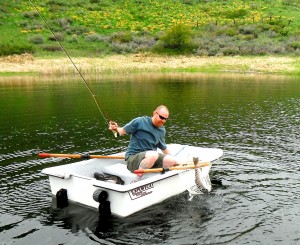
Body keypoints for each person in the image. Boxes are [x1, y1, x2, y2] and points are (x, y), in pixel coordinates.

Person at [109, 105, 177, 175]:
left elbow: (163, 147)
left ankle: (154, 172)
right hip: (133, 158)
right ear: (154, 113)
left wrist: (174, 161)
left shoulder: (162, 130)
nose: (163, 121)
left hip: (151, 158)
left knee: (170, 160)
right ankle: (139, 175)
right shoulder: (139, 122)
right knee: (153, 155)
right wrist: (115, 128)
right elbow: (121, 131)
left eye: (165, 119)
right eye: (161, 117)